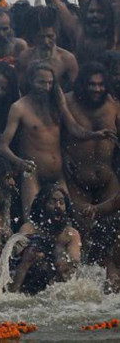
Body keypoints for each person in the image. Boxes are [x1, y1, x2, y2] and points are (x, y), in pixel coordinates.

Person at [0, 62, 114, 220]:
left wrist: (95, 134)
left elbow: (74, 129)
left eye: (50, 83)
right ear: (31, 81)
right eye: (41, 82)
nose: (46, 87)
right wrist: (19, 162)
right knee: (32, 222)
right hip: (32, 173)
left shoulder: (57, 103)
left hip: (58, 174)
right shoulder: (19, 107)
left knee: (67, 222)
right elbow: (3, 146)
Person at [63, 62, 120, 257]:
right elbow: (55, 134)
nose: (97, 89)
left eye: (101, 84)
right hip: (78, 181)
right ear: (83, 84)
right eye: (92, 84)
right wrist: (63, 155)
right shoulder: (68, 102)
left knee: (112, 234)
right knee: (83, 235)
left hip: (107, 179)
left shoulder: (113, 105)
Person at [9, 184, 81, 294]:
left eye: (61, 202)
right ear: (42, 206)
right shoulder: (29, 229)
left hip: (57, 290)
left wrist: (62, 264)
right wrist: (28, 259)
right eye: (53, 202)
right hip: (28, 286)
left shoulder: (71, 235)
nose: (58, 206)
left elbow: (74, 266)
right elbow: (15, 260)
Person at [17, 6, 78, 90]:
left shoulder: (67, 59)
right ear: (34, 36)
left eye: (50, 36)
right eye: (41, 37)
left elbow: (76, 90)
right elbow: (20, 88)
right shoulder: (25, 57)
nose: (46, 42)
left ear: (56, 34)